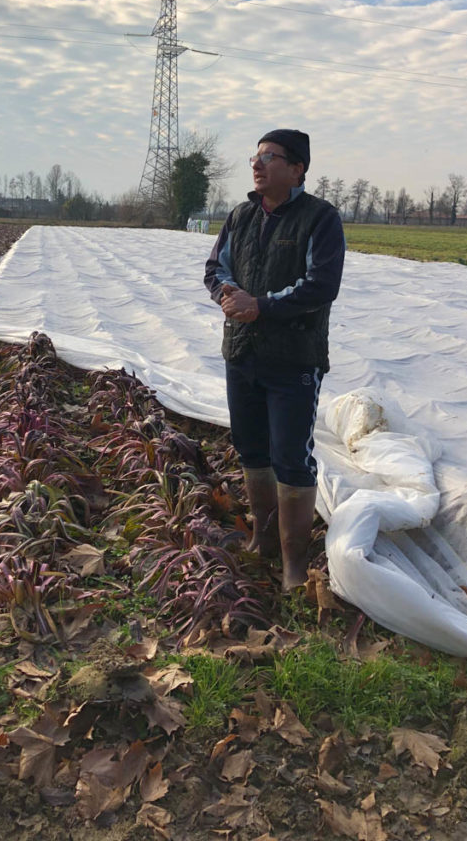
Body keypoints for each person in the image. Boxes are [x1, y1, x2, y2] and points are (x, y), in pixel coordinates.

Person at [204, 129, 345, 590]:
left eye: (270, 157)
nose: (258, 164)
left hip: (293, 360)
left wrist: (259, 305)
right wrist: (228, 294)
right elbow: (215, 268)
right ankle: (262, 541)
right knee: (251, 449)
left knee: (292, 458)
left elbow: (320, 285)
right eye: (256, 156)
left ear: (298, 168)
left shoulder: (319, 218)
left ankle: (294, 565)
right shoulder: (241, 215)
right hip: (242, 352)